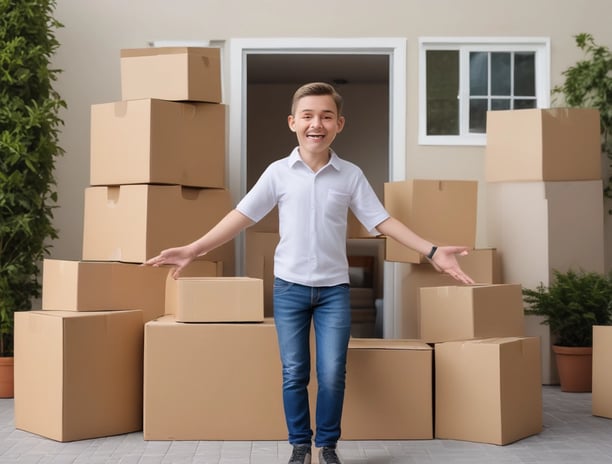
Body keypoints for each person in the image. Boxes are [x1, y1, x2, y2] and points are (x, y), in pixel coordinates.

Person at [145, 82, 474, 464]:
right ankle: (301, 445)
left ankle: (328, 446)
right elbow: (241, 216)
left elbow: (382, 220)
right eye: (307, 116)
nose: (316, 123)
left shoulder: (349, 175)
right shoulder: (278, 173)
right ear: (292, 122)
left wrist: (432, 250)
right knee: (295, 372)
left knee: (333, 372)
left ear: (339, 124)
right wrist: (193, 249)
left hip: (334, 291)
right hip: (289, 289)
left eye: (325, 116)